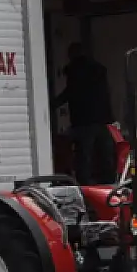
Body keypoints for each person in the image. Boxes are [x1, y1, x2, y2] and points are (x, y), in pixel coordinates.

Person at [55, 43, 114, 183]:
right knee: (104, 154)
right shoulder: (98, 69)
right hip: (102, 119)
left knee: (84, 155)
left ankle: (85, 184)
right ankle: (109, 181)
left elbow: (70, 92)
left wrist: (51, 104)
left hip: (84, 120)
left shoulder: (75, 70)